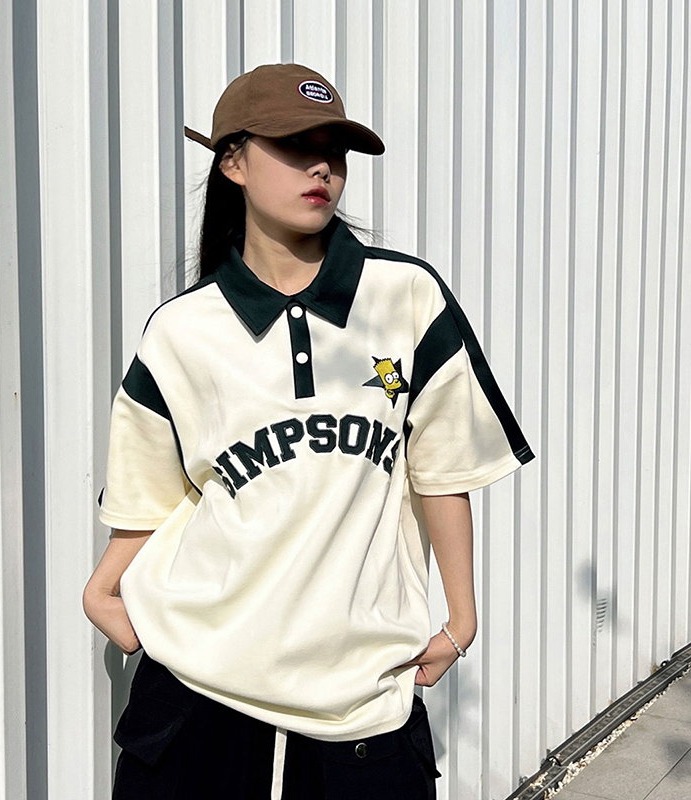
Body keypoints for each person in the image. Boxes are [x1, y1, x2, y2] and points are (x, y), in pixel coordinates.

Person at [83, 62, 535, 800]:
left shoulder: (406, 296)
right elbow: (149, 500)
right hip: (199, 710)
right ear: (233, 162)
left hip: (360, 715)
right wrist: (102, 592)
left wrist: (462, 619)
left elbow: (443, 469)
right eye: (296, 146)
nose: (322, 167)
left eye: (335, 150)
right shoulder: (183, 330)